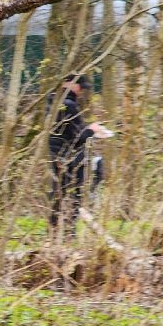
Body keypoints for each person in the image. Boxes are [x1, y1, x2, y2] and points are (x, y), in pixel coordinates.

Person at [47, 75, 109, 232]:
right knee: (74, 194)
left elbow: (68, 132)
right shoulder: (69, 105)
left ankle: (55, 231)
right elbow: (77, 138)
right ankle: (69, 231)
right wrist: (92, 130)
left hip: (57, 155)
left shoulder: (53, 103)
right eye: (80, 87)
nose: (81, 91)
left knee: (59, 192)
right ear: (69, 84)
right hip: (70, 157)